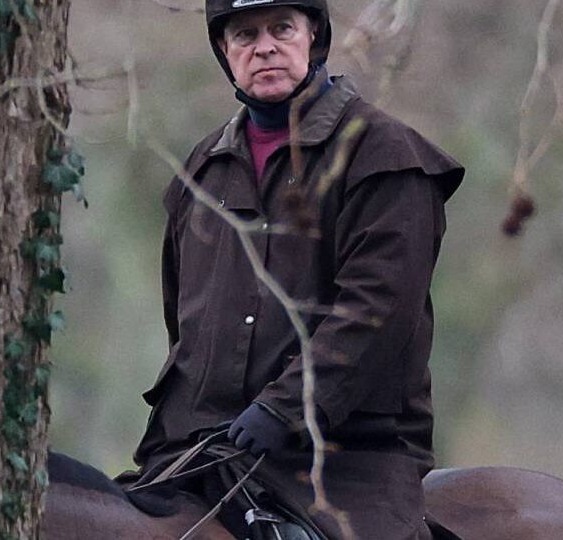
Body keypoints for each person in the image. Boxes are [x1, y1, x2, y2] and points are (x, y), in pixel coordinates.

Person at [126, 1, 464, 538]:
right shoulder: (201, 171)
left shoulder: (385, 155)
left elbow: (376, 312)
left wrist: (284, 410)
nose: (264, 48)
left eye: (281, 29)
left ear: (314, 38)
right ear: (224, 52)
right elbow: (183, 322)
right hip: (199, 451)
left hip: (345, 458)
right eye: (245, 35)